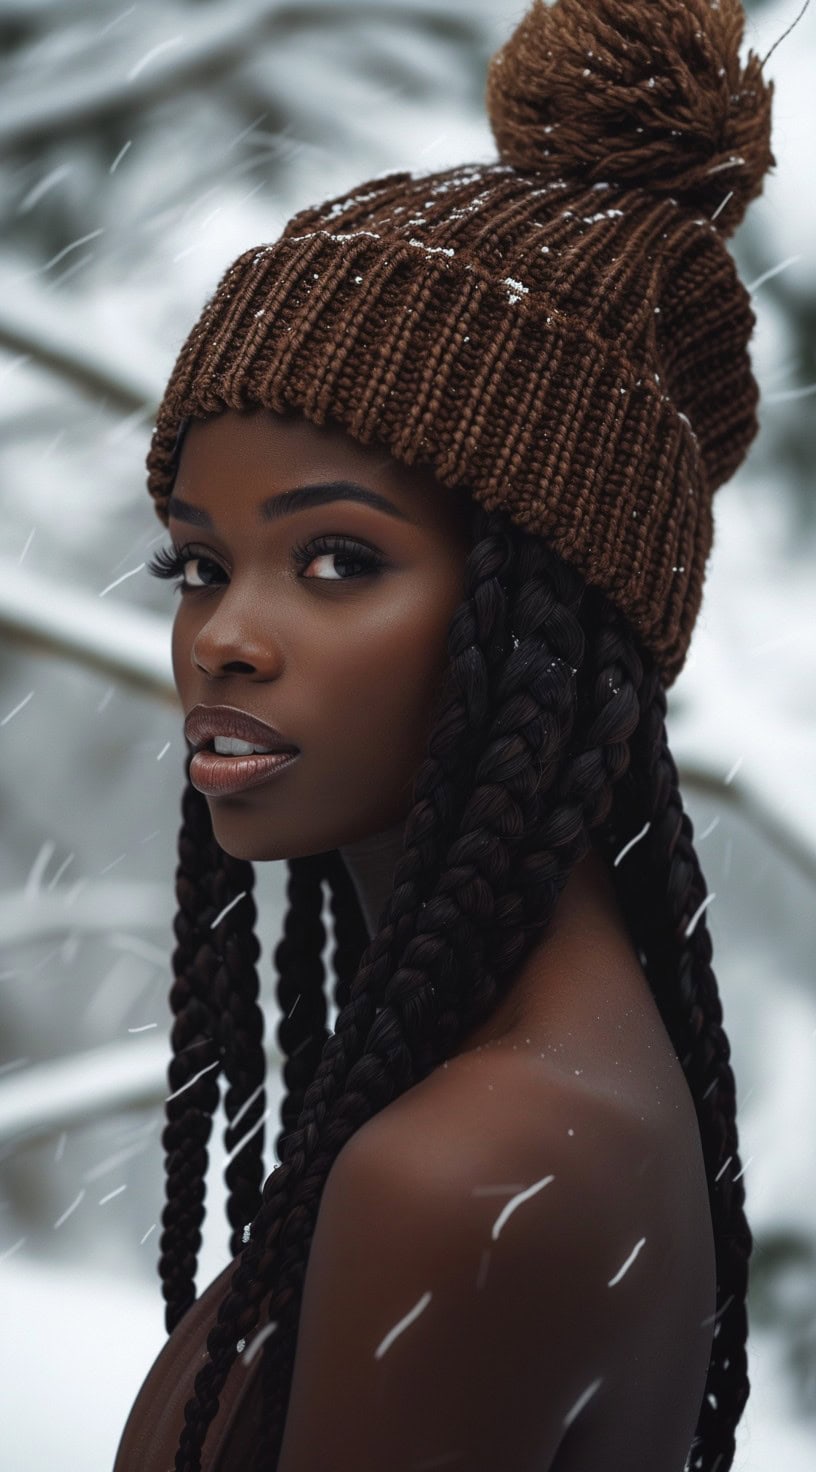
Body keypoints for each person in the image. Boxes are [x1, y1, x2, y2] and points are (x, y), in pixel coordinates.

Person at [115, 0, 777, 1467]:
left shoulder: (473, 1170)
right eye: (200, 563)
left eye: (338, 557)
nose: (223, 633)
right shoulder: (527, 1103)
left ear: (550, 618)